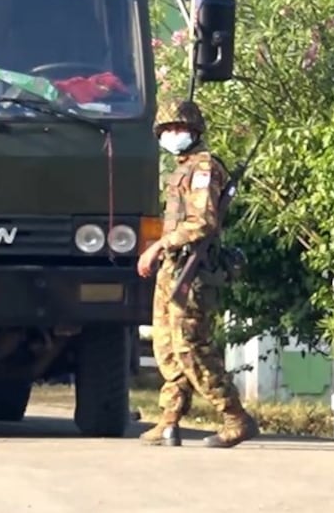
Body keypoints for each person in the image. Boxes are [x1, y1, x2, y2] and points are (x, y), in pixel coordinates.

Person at [136, 99, 259, 449]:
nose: (173, 135)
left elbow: (203, 223)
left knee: (192, 346)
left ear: (194, 131)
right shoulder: (181, 168)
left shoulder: (203, 168)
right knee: (166, 345)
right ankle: (170, 419)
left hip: (193, 267)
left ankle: (235, 416)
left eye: (180, 129)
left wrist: (157, 247)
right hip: (173, 267)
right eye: (167, 130)